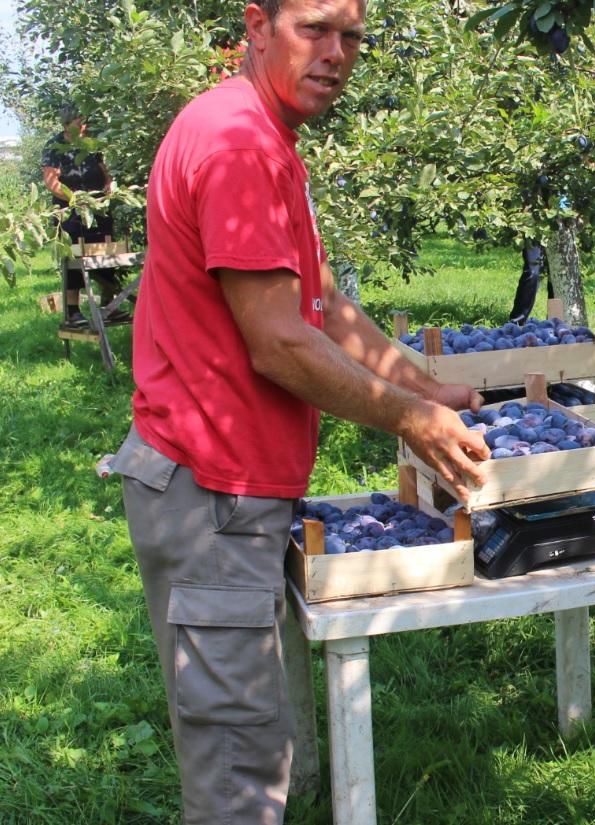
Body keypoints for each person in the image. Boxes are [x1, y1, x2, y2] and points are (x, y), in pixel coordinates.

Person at [106, 1, 489, 822]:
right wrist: (407, 420)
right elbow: (279, 343)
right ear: (256, 24)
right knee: (238, 773)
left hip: (226, 484)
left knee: (253, 734)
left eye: (351, 37)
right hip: (211, 490)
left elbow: (314, 299)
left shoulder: (259, 133)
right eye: (314, 29)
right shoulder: (241, 144)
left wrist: (422, 385)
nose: (335, 54)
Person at [41, 105, 129, 328]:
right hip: (70, 213)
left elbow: (103, 169)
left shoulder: (90, 143)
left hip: (98, 208)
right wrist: (74, 199)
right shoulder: (55, 146)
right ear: (67, 123)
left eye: (85, 121)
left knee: (107, 254)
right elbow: (51, 183)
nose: (84, 126)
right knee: (74, 259)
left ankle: (111, 307)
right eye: (79, 122)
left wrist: (109, 184)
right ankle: (72, 312)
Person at [509, 241, 553, 323]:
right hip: (535, 232)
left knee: (557, 273)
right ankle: (518, 321)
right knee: (532, 270)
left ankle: (555, 320)